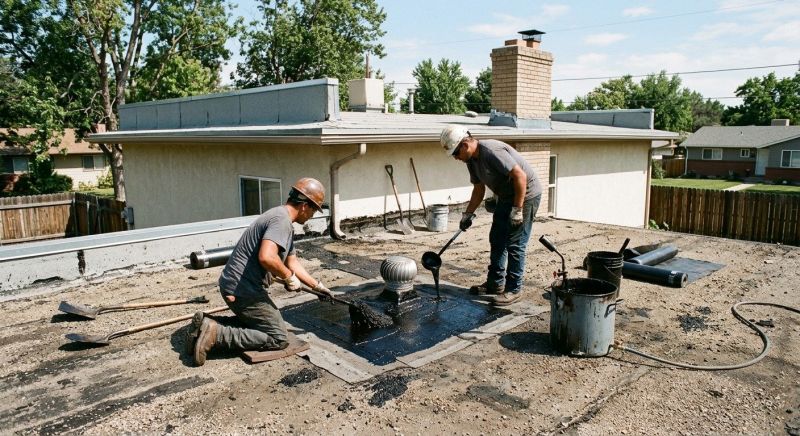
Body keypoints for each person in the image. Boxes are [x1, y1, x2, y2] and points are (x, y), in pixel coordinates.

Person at [187, 177, 334, 366]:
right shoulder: (281, 221)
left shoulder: (280, 218)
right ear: (305, 206)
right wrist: (289, 278)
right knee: (278, 337)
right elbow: (267, 257)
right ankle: (218, 334)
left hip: (236, 284)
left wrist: (317, 286)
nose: (313, 215)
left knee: (262, 324)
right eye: (314, 209)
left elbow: (292, 262)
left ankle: (205, 325)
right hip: (242, 290)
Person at [440, 125, 543, 306]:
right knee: (497, 238)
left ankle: (513, 289)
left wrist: (517, 210)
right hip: (505, 197)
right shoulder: (471, 161)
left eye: (456, 153)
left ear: (465, 145)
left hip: (525, 195)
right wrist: (467, 214)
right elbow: (479, 190)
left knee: (515, 243)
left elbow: (520, 177)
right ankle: (494, 284)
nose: (456, 158)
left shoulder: (491, 151)